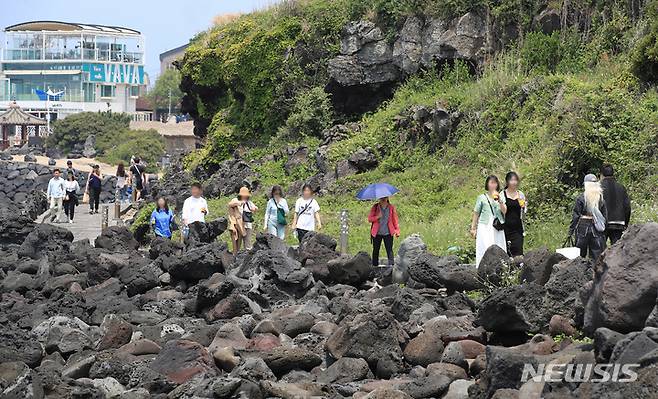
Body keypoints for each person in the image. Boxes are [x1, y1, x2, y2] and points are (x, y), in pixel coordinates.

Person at [470, 175, 507, 267]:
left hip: (497, 225)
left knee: (499, 245)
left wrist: (500, 201)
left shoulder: (501, 196)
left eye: (495, 183)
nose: (493, 185)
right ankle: (483, 267)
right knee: (486, 246)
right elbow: (476, 213)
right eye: (491, 183)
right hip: (485, 225)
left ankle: (501, 267)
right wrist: (473, 228)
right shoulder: (482, 197)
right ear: (487, 184)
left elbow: (505, 211)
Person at [569, 174, 608, 261]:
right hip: (596, 230)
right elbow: (605, 217)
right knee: (597, 256)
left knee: (579, 256)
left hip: (582, 229)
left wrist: (571, 231)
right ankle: (595, 273)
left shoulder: (581, 198)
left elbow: (576, 216)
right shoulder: (601, 200)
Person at [600, 164, 631, 245]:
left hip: (603, 223)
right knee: (616, 250)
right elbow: (627, 207)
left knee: (600, 250)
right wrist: (625, 223)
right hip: (618, 223)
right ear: (613, 173)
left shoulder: (599, 188)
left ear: (601, 174)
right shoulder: (621, 187)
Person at [367, 196, 400, 267]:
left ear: (387, 198)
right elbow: (370, 219)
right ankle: (374, 267)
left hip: (388, 232)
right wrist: (377, 217)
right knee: (376, 250)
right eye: (382, 198)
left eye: (385, 198)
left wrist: (397, 230)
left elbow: (395, 219)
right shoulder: (375, 207)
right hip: (377, 233)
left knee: (389, 250)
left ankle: (391, 267)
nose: (383, 199)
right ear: (379, 199)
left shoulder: (391, 207)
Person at [501, 172, 527, 257]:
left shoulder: (520, 194)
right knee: (507, 252)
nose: (514, 182)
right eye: (512, 180)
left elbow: (524, 212)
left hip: (518, 227)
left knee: (518, 251)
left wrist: (524, 207)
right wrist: (500, 203)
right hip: (506, 227)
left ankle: (519, 268)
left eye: (515, 180)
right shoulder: (502, 194)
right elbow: (502, 212)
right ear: (507, 181)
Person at [228, 187, 258, 252]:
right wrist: (240, 203)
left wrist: (255, 208)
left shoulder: (249, 202)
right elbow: (230, 204)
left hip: (248, 225)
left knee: (248, 244)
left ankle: (247, 257)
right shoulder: (236, 200)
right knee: (237, 245)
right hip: (239, 225)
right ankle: (236, 256)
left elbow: (255, 208)